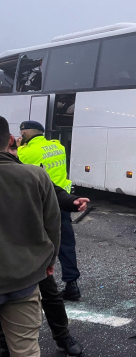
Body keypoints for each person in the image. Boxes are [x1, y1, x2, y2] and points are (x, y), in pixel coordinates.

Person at [0, 116, 60, 357]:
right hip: (23, 281)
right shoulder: (36, 176)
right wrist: (49, 262)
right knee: (25, 350)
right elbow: (53, 226)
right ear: (12, 140)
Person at [17, 121, 81, 301]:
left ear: (25, 134)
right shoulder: (57, 146)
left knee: (35, 244)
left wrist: (20, 145)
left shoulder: (26, 152)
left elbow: (12, 162)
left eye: (22, 132)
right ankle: (72, 285)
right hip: (62, 201)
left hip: (40, 204)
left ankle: (33, 286)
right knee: (65, 244)